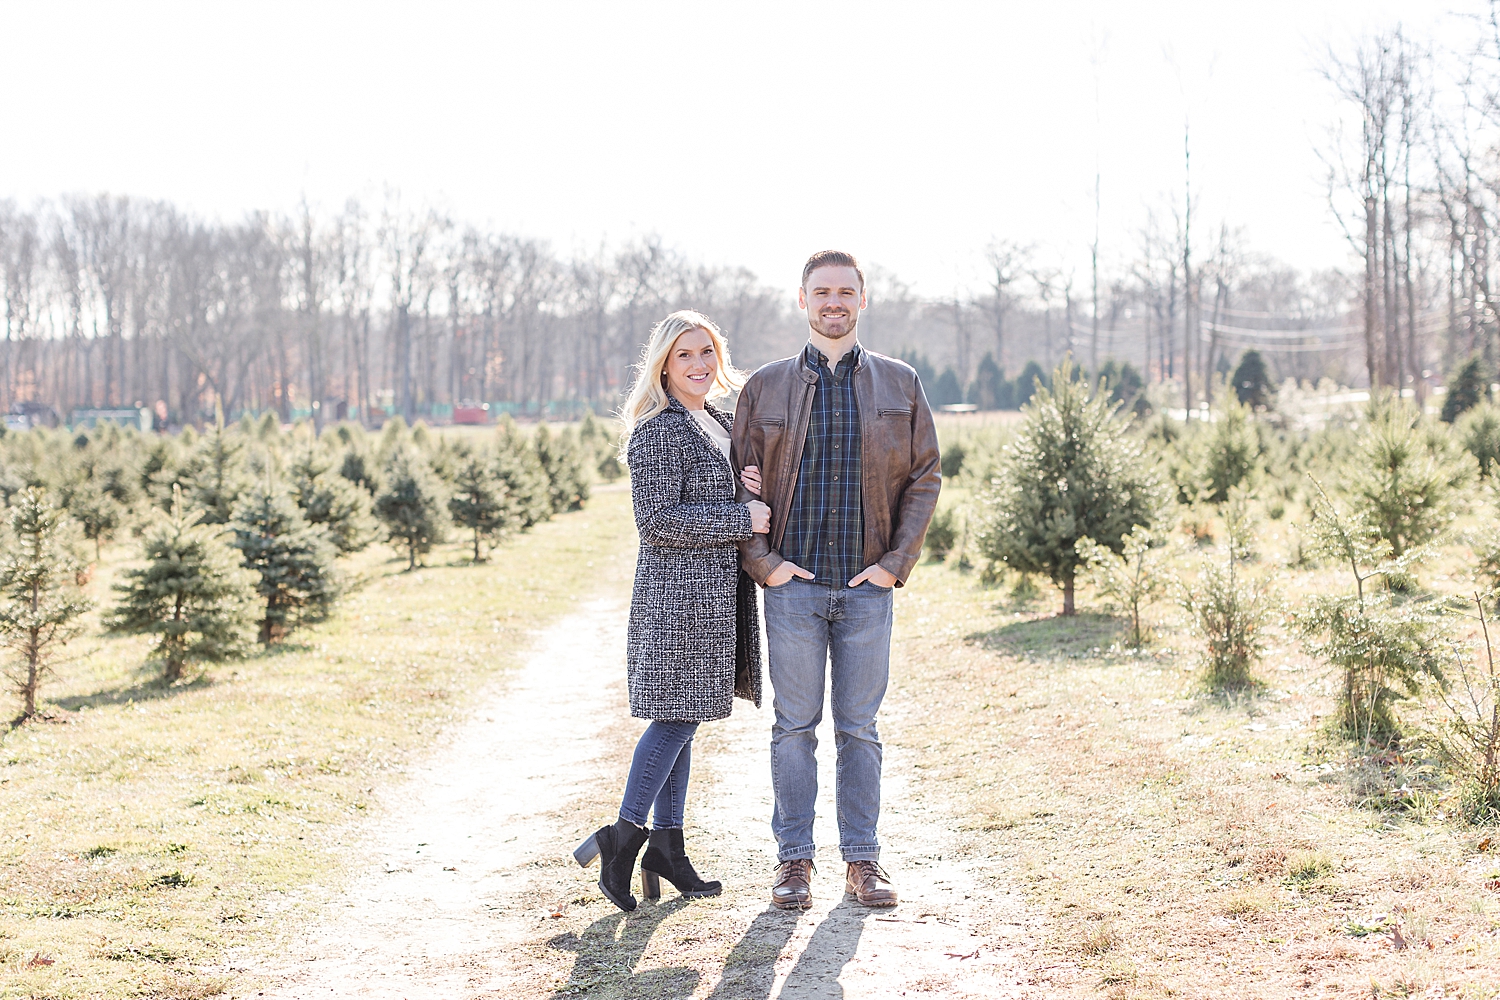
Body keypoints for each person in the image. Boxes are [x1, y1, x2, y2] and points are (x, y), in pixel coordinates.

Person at [732, 250, 941, 910]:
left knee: (860, 731)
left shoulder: (899, 383)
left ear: (863, 300)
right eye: (821, 291)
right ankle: (793, 861)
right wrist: (764, 562)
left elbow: (924, 477)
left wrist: (893, 565)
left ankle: (863, 861)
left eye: (845, 292)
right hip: (792, 587)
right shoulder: (765, 387)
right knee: (794, 729)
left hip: (865, 587)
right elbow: (737, 484)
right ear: (802, 300)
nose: (834, 302)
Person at [573, 309, 772, 913]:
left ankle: (668, 848)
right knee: (676, 721)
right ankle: (622, 837)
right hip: (677, 600)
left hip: (715, 597)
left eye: (707, 351)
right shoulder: (659, 431)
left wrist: (748, 486)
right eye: (685, 355)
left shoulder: (716, 419)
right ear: (663, 363)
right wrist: (742, 519)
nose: (699, 365)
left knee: (688, 722)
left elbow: (715, 490)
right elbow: (657, 523)